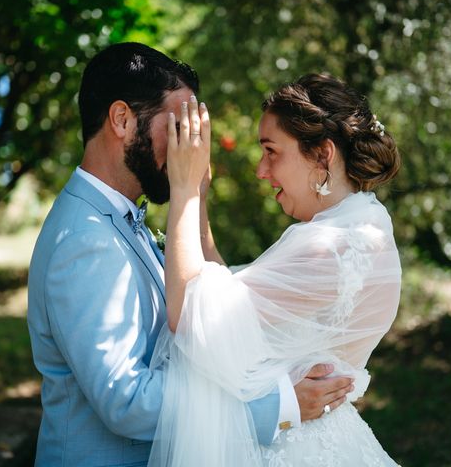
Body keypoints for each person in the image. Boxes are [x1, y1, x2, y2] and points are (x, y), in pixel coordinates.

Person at [27, 44, 353, 466]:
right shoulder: (84, 240)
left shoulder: (119, 218)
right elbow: (126, 400)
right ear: (122, 120)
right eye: (179, 127)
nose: (191, 145)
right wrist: (277, 405)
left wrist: (193, 198)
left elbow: (207, 315)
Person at [149, 73, 402, 466]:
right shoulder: (366, 224)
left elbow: (191, 318)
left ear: (322, 154)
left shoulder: (327, 248)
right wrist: (198, 196)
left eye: (272, 151)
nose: (261, 171)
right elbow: (229, 297)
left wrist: (180, 192)